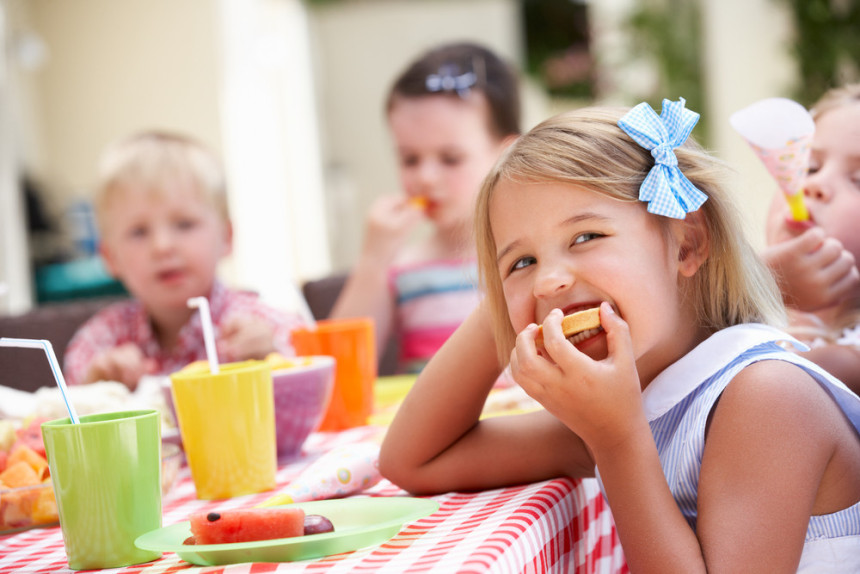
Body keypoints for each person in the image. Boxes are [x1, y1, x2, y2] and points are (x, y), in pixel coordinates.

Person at [380, 100, 860, 572]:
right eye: (521, 263)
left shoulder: (767, 396)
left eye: (586, 237)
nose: (550, 281)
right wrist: (516, 301)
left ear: (687, 243)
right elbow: (414, 460)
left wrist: (616, 440)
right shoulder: (630, 410)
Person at [329, 42, 521, 374]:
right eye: (409, 159)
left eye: (450, 159)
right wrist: (373, 261)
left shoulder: (529, 259)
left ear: (507, 152)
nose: (426, 178)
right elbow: (342, 371)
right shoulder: (401, 268)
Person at [64, 131, 308, 389]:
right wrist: (95, 393)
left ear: (226, 237)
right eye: (139, 232)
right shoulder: (98, 343)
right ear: (110, 257)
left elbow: (320, 396)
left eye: (184, 224)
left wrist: (275, 364)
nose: (162, 246)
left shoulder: (271, 328)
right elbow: (57, 415)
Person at [763, 83, 860, 393]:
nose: (815, 183)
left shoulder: (849, 359)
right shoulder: (763, 322)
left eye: (857, 180)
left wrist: (762, 279)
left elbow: (761, 384)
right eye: (808, 166)